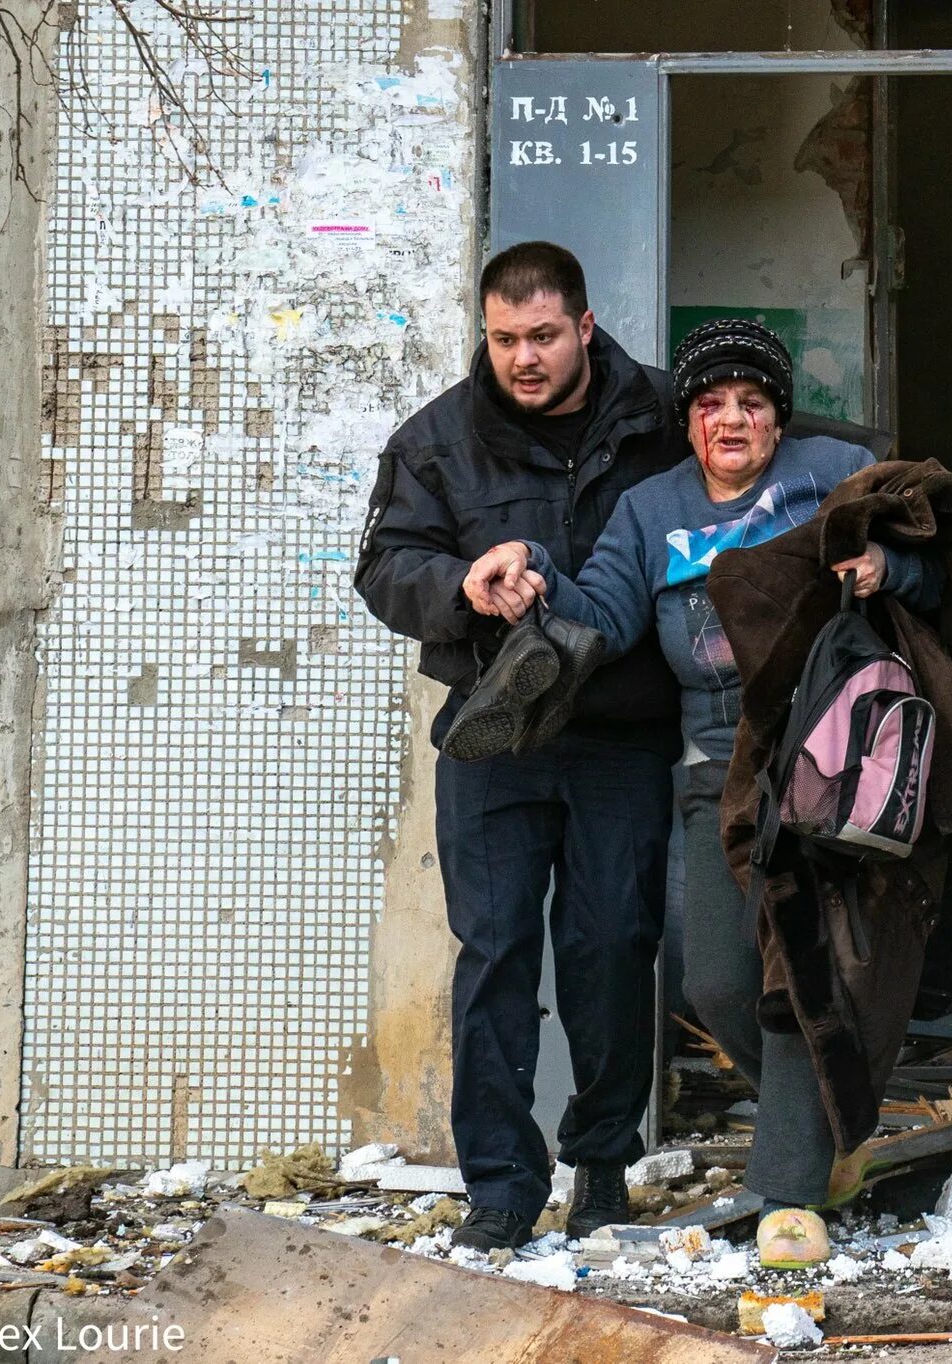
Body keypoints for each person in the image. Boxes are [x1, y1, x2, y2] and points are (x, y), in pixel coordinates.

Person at [460, 317, 939, 1268]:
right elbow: (600, 612)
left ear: (779, 417)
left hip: (830, 765)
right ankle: (833, 1124)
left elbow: (944, 559)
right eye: (712, 404)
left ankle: (788, 1190)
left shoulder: (833, 472)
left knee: (800, 974)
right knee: (716, 980)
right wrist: (534, 575)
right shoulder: (650, 511)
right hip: (716, 775)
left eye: (752, 403)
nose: (732, 419)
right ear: (686, 421)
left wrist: (893, 566)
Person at [354, 241, 687, 1251]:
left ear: (585, 327)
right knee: (495, 951)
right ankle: (500, 1181)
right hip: (495, 737)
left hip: (620, 731)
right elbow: (382, 567)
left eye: (543, 336)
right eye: (504, 339)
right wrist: (463, 582)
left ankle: (599, 1165)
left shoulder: (665, 417)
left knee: (611, 947)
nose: (523, 358)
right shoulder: (437, 441)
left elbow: (747, 474)